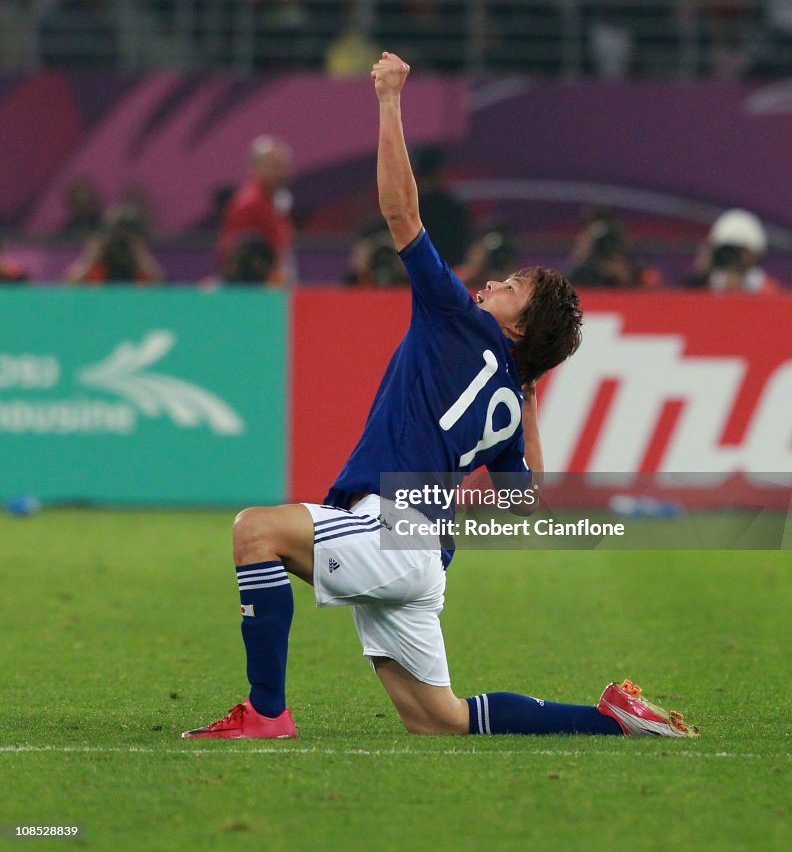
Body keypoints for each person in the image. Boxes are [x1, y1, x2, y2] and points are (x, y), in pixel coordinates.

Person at [183, 52, 697, 742]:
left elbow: (399, 210)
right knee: (440, 720)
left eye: (509, 286)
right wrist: (529, 395)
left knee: (257, 530)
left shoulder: (458, 318)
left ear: (516, 323)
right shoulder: (511, 401)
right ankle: (615, 722)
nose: (490, 283)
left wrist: (390, 100)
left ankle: (266, 714)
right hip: (424, 557)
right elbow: (521, 500)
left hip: (394, 533)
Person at [216, 136, 296, 285]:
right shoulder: (249, 203)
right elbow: (234, 256)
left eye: (283, 165)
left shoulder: (276, 200)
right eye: (275, 166)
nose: (282, 172)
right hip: (255, 289)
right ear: (255, 167)